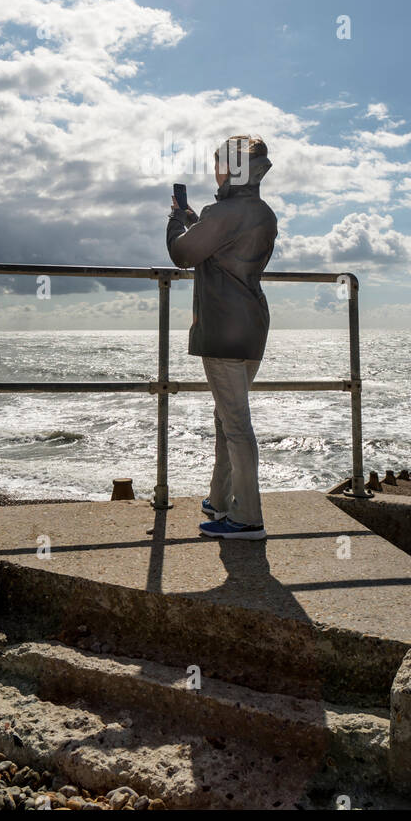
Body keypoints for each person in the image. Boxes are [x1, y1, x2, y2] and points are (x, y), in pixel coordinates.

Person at [166, 135, 278, 540]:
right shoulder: (261, 212)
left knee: (235, 426)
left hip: (223, 329)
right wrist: (201, 221)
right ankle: (219, 500)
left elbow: (183, 254)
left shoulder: (224, 211)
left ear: (231, 169)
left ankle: (248, 517)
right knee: (226, 418)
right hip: (252, 326)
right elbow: (221, 244)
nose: (214, 170)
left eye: (218, 164)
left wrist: (177, 219)